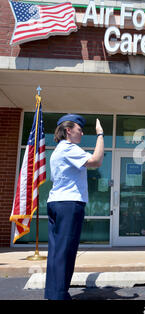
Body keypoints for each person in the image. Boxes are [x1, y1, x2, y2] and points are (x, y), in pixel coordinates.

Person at [45, 114, 104, 300]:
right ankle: (59, 296)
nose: (82, 132)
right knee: (66, 251)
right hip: (68, 204)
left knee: (57, 251)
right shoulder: (69, 148)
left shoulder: (59, 150)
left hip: (58, 202)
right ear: (68, 130)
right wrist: (100, 135)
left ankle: (54, 293)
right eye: (79, 129)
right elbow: (96, 161)